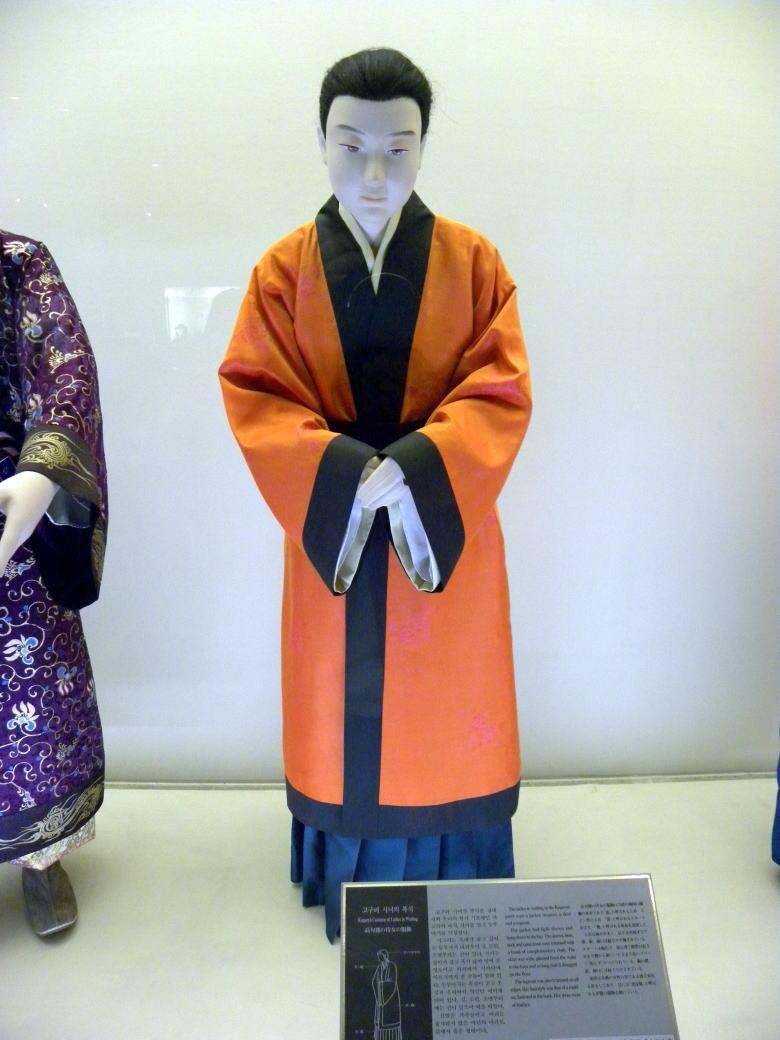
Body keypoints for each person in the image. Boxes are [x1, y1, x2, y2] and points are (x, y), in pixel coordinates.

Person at [219, 47, 532, 941]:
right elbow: (256, 391)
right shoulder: (283, 271)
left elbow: (500, 391)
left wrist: (424, 466)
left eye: (398, 148)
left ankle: (454, 871)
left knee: (449, 707)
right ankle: (351, 874)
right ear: (321, 143)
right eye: (350, 146)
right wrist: (348, 472)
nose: (373, 173)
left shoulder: (475, 263)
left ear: (424, 147)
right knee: (340, 712)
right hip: (337, 534)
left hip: (444, 530)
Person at [0, 231, 108, 935]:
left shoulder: (16, 263)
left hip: (10, 512)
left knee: (31, 696)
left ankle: (42, 855)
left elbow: (66, 371)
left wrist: (43, 471)